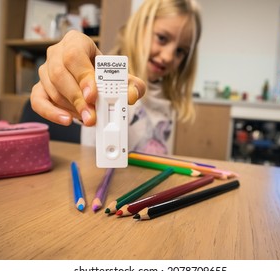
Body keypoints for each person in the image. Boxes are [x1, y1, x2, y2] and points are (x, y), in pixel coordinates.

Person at [31, 0, 202, 155]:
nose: (168, 57)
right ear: (139, 27)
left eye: (180, 51)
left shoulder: (169, 96)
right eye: (162, 38)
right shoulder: (109, 81)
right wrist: (68, 76)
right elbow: (84, 103)